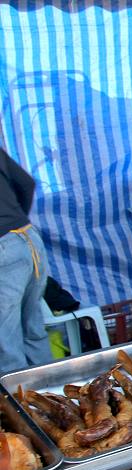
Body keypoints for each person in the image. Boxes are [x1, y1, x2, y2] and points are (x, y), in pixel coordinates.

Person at [0, 147, 52, 374]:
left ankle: (18, 406)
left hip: (4, 247)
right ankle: (49, 399)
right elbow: (26, 183)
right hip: (28, 236)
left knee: (6, 341)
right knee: (33, 329)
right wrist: (14, 218)